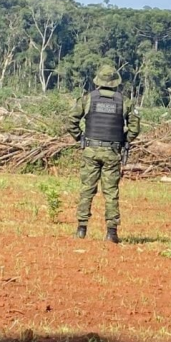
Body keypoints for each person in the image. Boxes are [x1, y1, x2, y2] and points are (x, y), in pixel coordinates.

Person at [66, 65, 140, 243]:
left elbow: (71, 121)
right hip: (112, 151)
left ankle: (81, 229)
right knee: (111, 192)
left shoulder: (88, 99)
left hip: (91, 151)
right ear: (115, 82)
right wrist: (124, 139)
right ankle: (111, 233)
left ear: (98, 80)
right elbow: (135, 127)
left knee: (86, 189)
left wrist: (80, 138)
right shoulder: (124, 101)